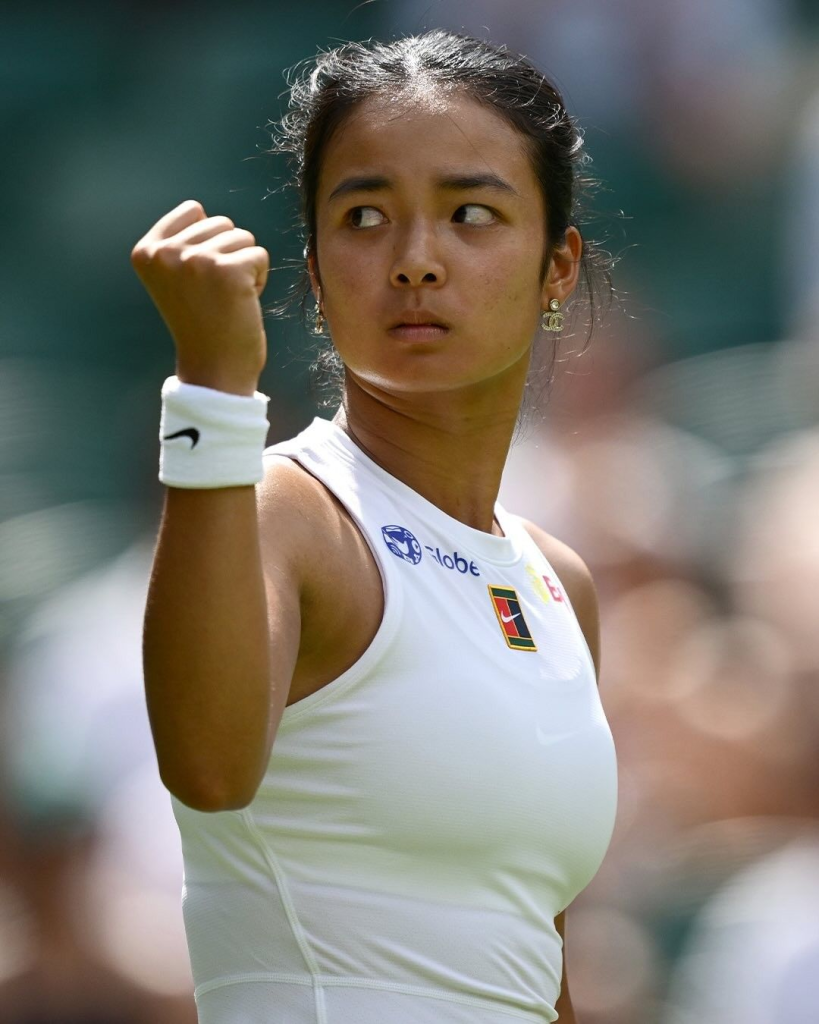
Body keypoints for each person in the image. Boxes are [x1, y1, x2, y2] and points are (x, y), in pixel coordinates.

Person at [131, 30, 618, 1024]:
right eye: (365, 217)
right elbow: (210, 771)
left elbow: (534, 960)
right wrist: (214, 386)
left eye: (471, 213)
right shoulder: (284, 511)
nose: (415, 262)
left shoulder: (558, 582)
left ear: (557, 267)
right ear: (313, 272)